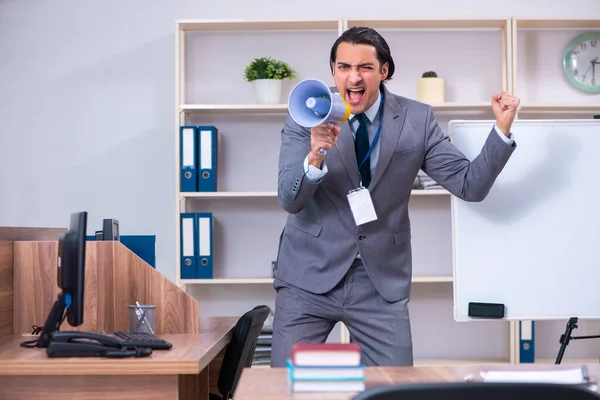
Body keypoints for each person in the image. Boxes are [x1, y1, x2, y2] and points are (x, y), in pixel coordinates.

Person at [271, 26, 519, 367]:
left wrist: (501, 130)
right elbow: (290, 199)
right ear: (333, 71)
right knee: (283, 388)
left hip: (379, 280)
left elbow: (469, 185)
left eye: (365, 68)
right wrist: (315, 156)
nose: (353, 77)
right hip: (307, 275)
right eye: (343, 67)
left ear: (384, 71)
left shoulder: (417, 119)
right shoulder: (308, 113)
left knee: (396, 388)